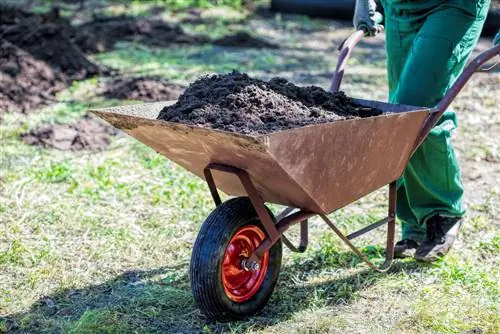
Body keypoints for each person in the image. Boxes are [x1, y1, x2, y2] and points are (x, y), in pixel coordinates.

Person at [353, 0, 493, 262]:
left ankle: (443, 212)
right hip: (399, 7)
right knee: (399, 113)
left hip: (452, 5)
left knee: (416, 108)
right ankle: (416, 223)